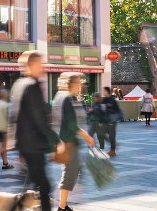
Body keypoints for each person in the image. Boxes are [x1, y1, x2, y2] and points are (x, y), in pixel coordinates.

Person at [12, 50, 59, 210]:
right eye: (40, 64)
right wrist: (56, 140)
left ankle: (16, 207)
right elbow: (39, 119)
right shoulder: (32, 86)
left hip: (26, 145)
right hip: (34, 145)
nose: (43, 67)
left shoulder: (19, 84)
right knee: (44, 185)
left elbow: (14, 116)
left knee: (32, 183)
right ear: (32, 65)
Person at [54, 72, 98, 211]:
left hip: (71, 142)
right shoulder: (67, 99)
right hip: (68, 142)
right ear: (72, 84)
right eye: (79, 82)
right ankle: (61, 206)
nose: (81, 84)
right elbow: (71, 124)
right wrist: (87, 137)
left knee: (72, 172)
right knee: (69, 173)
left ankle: (63, 204)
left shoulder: (69, 98)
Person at [94, 87, 120, 157]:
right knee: (100, 133)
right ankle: (102, 148)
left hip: (112, 120)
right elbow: (102, 110)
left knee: (112, 136)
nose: (103, 92)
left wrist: (109, 109)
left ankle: (112, 151)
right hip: (105, 121)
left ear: (107, 92)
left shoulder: (112, 100)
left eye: (104, 91)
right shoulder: (104, 100)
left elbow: (117, 110)